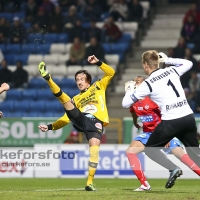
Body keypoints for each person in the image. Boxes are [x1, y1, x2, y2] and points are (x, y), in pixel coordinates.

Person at [122, 50, 200, 189]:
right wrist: (168, 59)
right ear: (158, 61)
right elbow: (189, 63)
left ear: (145, 65)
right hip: (188, 117)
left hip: (172, 122)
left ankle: (172, 168)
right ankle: (170, 171)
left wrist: (130, 90)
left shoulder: (148, 83)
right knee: (195, 155)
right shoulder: (171, 71)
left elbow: (125, 103)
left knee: (150, 149)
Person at [37, 55, 115, 191]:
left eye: (82, 79)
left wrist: (98, 63)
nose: (79, 82)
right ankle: (48, 78)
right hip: (81, 119)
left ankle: (89, 183)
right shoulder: (76, 99)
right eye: (77, 80)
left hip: (95, 122)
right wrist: (50, 127)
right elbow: (66, 118)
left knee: (94, 150)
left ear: (88, 80)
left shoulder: (98, 86)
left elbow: (111, 73)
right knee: (67, 101)